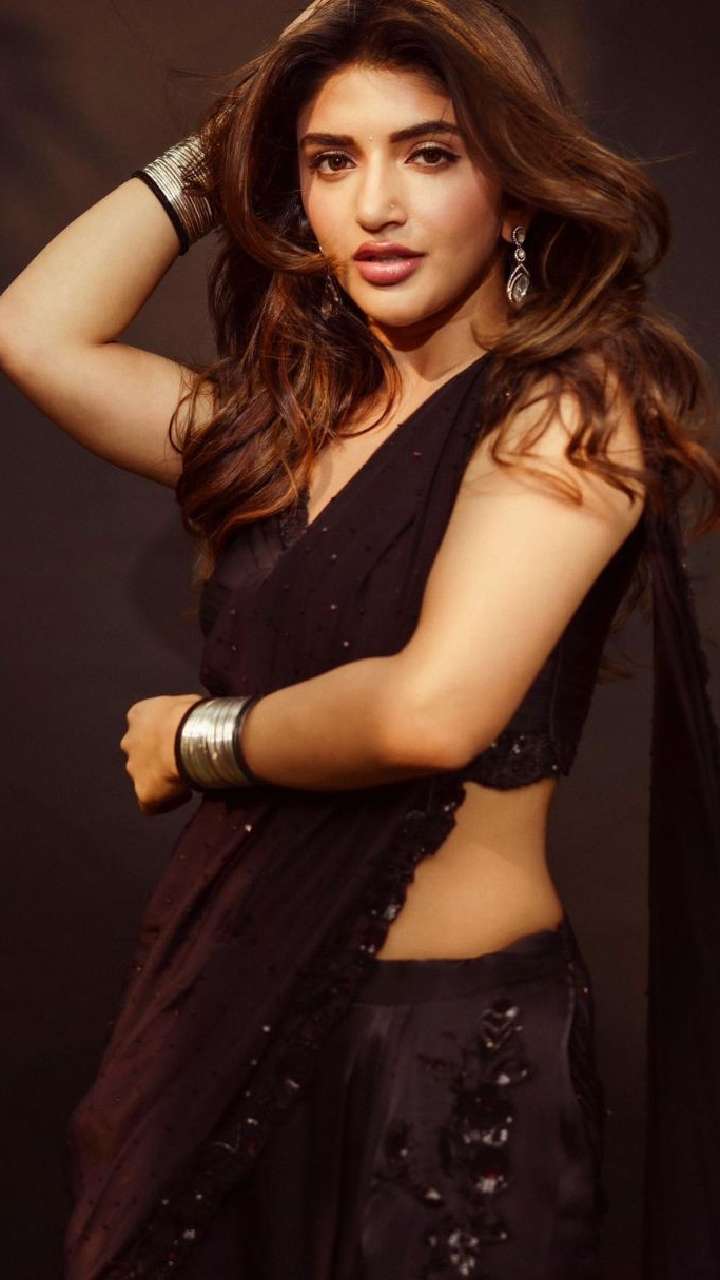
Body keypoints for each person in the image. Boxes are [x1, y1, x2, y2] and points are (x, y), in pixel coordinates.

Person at [1, 0, 719, 1276]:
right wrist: (233, 136)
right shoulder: (278, 437)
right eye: (332, 162)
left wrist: (202, 736)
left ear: (516, 193)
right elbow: (34, 330)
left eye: (430, 153)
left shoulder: (572, 406)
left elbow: (429, 711)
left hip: (440, 1052)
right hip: (222, 1029)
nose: (375, 205)